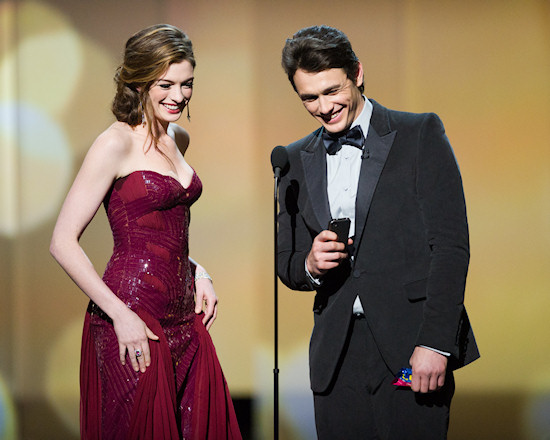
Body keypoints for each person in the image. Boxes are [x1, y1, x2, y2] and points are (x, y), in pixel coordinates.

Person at [277, 25, 479, 439]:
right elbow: (288, 264)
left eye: (333, 91)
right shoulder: (294, 159)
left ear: (358, 73)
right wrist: (310, 264)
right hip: (336, 358)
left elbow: (451, 247)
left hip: (411, 347)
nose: (324, 107)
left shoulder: (419, 133)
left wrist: (436, 343)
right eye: (309, 98)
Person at [50, 24, 242, 440]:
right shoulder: (114, 143)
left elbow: (161, 232)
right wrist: (121, 315)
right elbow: (62, 241)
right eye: (165, 84)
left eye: (187, 84)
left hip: (183, 320)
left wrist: (199, 271)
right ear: (139, 82)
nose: (178, 95)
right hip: (132, 314)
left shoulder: (179, 138)